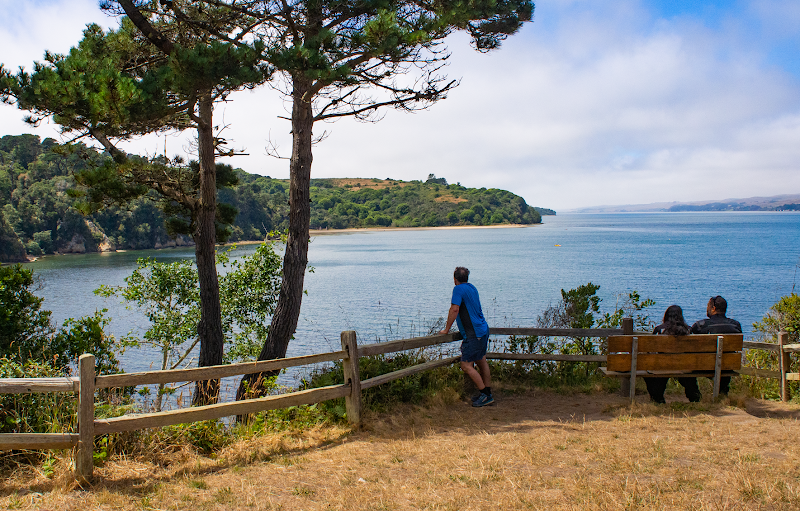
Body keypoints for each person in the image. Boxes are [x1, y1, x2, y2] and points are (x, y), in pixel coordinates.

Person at [439, 266, 493, 407]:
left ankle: (485, 395)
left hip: (474, 334)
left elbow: (455, 309)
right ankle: (487, 393)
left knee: (466, 365)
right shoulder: (472, 288)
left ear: (455, 279)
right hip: (483, 330)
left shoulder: (458, 289)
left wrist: (446, 329)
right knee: (481, 361)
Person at [644, 305, 701, 403]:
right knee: (687, 371)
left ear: (666, 316)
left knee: (652, 371)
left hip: (663, 366)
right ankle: (694, 396)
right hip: (684, 366)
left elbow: (652, 350)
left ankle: (657, 397)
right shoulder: (688, 330)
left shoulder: (659, 330)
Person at [690, 295, 742, 396]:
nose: (707, 309)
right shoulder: (735, 325)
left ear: (713, 308)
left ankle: (694, 395)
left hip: (704, 365)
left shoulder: (700, 326)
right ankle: (722, 393)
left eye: (708, 306)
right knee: (724, 360)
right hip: (728, 365)